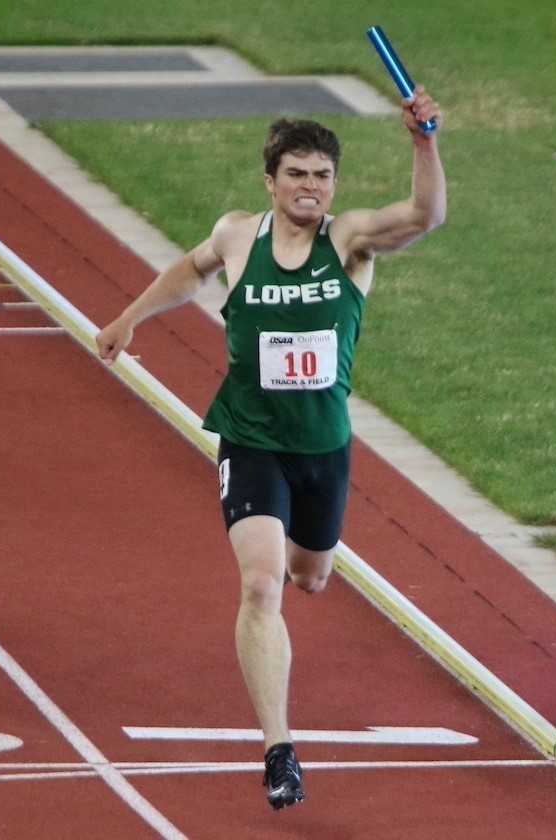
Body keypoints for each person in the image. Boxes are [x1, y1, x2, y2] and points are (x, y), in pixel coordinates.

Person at [96, 86, 446, 810]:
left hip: (323, 446)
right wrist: (130, 318)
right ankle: (279, 751)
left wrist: (423, 142)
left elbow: (423, 216)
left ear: (333, 185)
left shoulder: (348, 241)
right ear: (270, 181)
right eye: (296, 174)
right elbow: (192, 271)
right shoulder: (236, 235)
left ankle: (295, 557)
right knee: (260, 585)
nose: (309, 187)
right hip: (251, 438)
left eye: (321, 176)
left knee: (310, 579)